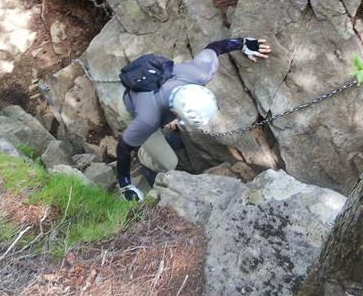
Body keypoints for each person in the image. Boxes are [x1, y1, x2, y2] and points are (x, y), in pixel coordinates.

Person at [116, 37, 272, 201]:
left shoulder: (200, 73)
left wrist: (244, 44)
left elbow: (215, 47)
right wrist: (125, 185)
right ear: (176, 113)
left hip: (155, 102)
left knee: (160, 127)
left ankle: (161, 140)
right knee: (169, 163)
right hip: (132, 108)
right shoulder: (147, 119)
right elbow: (123, 147)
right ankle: (145, 156)